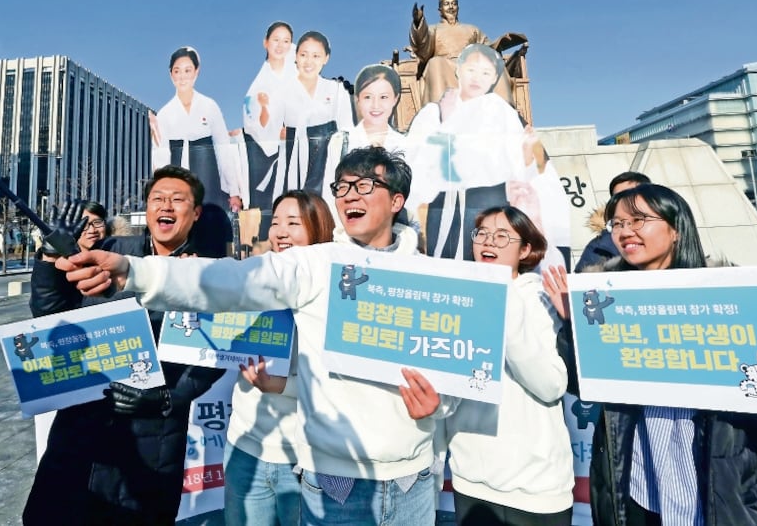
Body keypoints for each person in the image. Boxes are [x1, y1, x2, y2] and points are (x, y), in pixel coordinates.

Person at [58, 147, 454, 526]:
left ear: (397, 201)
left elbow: (458, 372)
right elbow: (231, 280)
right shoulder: (312, 265)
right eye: (343, 187)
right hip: (334, 479)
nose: (351, 195)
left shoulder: (433, 279)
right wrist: (135, 272)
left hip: (411, 478)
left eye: (365, 186)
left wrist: (438, 406)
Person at [543, 183, 757, 526]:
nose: (624, 231)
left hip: (717, 502)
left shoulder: (732, 300)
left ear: (676, 228)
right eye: (616, 224)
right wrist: (575, 330)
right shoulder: (606, 302)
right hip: (636, 496)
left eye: (638, 220)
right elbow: (581, 387)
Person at [23, 167, 226, 525]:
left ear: (194, 213)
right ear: (147, 209)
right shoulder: (110, 251)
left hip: (153, 437)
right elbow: (51, 313)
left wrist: (168, 398)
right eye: (157, 199)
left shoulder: (209, 272)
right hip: (82, 427)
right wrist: (49, 261)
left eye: (178, 200)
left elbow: (215, 354)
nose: (166, 206)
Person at [445, 205, 573, 526]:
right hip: (470, 478)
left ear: (525, 249)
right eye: (483, 234)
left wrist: (504, 304)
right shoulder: (458, 298)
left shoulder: (540, 299)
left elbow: (550, 385)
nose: (489, 242)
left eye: (503, 236)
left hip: (534, 487)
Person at [224, 190, 335, 526]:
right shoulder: (251, 278)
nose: (280, 232)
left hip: (302, 456)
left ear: (318, 230)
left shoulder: (334, 294)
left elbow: (340, 386)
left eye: (293, 223)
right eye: (275, 223)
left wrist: (280, 386)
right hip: (245, 447)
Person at [406, 43, 570, 263]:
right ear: (458, 70)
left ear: (493, 79)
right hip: (443, 206)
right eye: (471, 70)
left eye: (485, 73)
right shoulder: (434, 113)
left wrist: (529, 159)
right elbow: (417, 162)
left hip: (493, 207)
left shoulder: (504, 113)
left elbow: (536, 165)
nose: (477, 78)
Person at [151, 45, 242, 211]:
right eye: (177, 71)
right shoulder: (164, 114)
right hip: (178, 189)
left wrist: (234, 191)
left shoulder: (210, 106)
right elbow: (161, 159)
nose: (182, 77)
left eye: (188, 70)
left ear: (196, 72)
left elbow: (223, 150)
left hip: (210, 184)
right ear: (171, 74)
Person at [409, 0, 513, 105]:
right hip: (446, 66)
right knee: (435, 63)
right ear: (440, 10)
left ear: (458, 7)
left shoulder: (472, 29)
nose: (451, 7)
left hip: (470, 67)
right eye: (446, 4)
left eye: (454, 3)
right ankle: (439, 110)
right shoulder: (433, 29)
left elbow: (486, 48)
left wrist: (501, 43)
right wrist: (418, 22)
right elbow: (423, 46)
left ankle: (507, 110)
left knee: (495, 63)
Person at [282, 31, 354, 194]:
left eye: (316, 56)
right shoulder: (282, 93)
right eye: (303, 55)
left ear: (326, 58)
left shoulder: (336, 90)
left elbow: (347, 133)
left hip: (328, 172)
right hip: (292, 172)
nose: (309, 62)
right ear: (295, 56)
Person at [322, 65, 406, 205]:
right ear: (358, 99)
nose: (375, 105)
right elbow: (329, 196)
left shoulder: (406, 144)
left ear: (395, 99)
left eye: (383, 97)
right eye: (368, 97)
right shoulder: (341, 141)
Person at [243, 22, 295, 214]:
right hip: (271, 153)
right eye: (276, 40)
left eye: (286, 41)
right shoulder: (259, 85)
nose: (281, 45)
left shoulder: (295, 68)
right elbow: (255, 125)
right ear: (266, 43)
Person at [574, 171, 651, 272]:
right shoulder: (599, 247)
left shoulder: (670, 232)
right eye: (618, 198)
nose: (625, 202)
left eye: (632, 195)